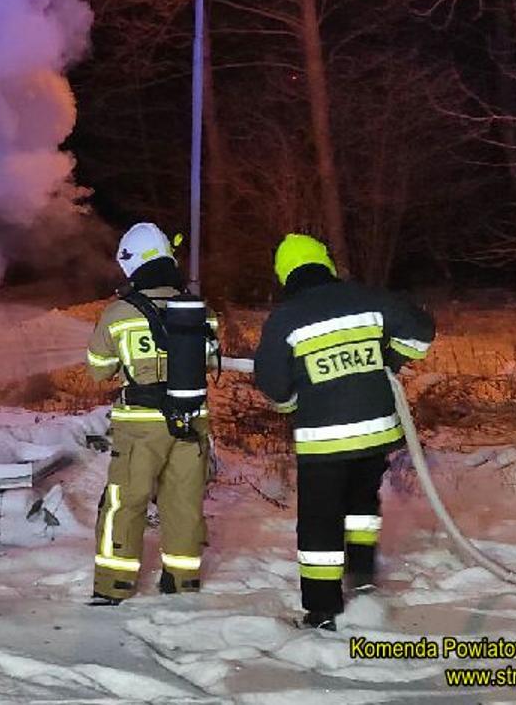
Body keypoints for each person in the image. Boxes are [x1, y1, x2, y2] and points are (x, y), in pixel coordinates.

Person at [251, 233, 435, 630]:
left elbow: (271, 382)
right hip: (375, 434)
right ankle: (362, 575)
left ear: (285, 274)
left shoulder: (286, 317)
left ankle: (322, 610)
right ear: (326, 264)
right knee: (361, 504)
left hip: (323, 441)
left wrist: (294, 403)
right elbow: (421, 330)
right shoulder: (367, 298)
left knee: (320, 520)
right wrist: (389, 358)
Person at [82, 222, 220, 605]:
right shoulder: (200, 310)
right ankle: (182, 580)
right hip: (191, 421)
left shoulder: (119, 313)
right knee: (184, 502)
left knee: (126, 502)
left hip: (140, 425)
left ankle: (113, 586)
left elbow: (98, 369)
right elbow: (209, 361)